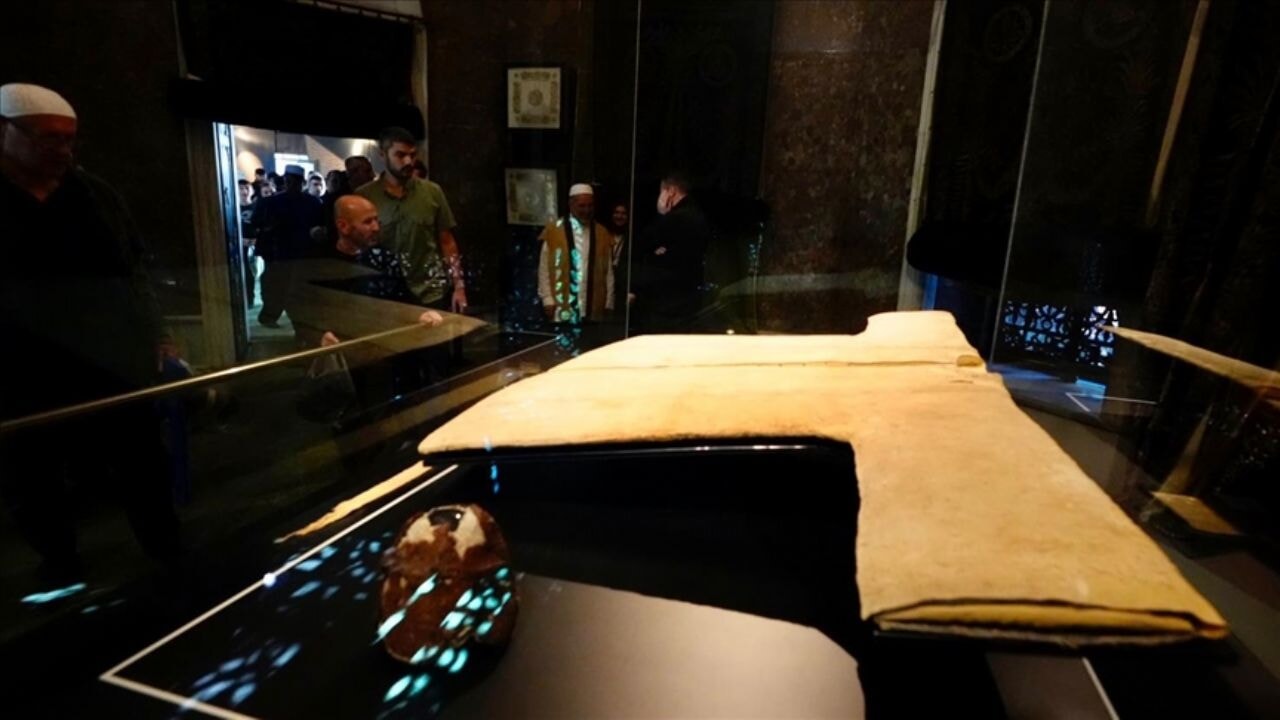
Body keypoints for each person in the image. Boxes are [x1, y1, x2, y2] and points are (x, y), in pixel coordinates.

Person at [0, 83, 180, 576]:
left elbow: (134, 270)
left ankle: (165, 548)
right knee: (32, 472)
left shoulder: (95, 194)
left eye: (68, 139)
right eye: (47, 138)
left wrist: (159, 333)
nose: (62, 150)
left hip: (112, 355)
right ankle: (59, 558)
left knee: (141, 460)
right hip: (21, 368)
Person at [356, 126, 467, 313]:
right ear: (383, 155)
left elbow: (447, 242)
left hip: (430, 291)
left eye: (412, 155)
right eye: (400, 155)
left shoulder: (432, 192)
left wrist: (459, 286)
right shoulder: (365, 196)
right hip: (385, 294)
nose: (408, 161)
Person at [631, 172, 710, 333]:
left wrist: (662, 215)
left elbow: (644, 244)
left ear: (671, 191)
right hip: (689, 295)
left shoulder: (676, 217)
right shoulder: (696, 213)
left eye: (662, 191)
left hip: (668, 300)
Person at [250, 163, 323, 327]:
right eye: (290, 180)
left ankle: (271, 317)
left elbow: (256, 223)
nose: (291, 184)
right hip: (286, 252)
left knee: (278, 287)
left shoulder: (272, 202)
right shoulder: (311, 202)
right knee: (282, 287)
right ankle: (276, 317)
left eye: (292, 180)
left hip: (287, 253)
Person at [537, 183, 616, 324]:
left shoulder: (602, 233)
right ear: (571, 205)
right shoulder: (553, 232)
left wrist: (609, 301)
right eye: (582, 206)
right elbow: (544, 269)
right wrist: (547, 299)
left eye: (590, 206)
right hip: (561, 305)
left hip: (593, 306)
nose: (587, 210)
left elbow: (608, 271)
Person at [237, 178, 259, 306]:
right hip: (240, 245)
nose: (244, 191)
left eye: (246, 188)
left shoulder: (256, 207)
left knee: (253, 273)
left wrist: (257, 240)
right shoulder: (233, 207)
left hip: (255, 244)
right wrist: (239, 240)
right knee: (243, 272)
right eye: (241, 188)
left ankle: (251, 298)